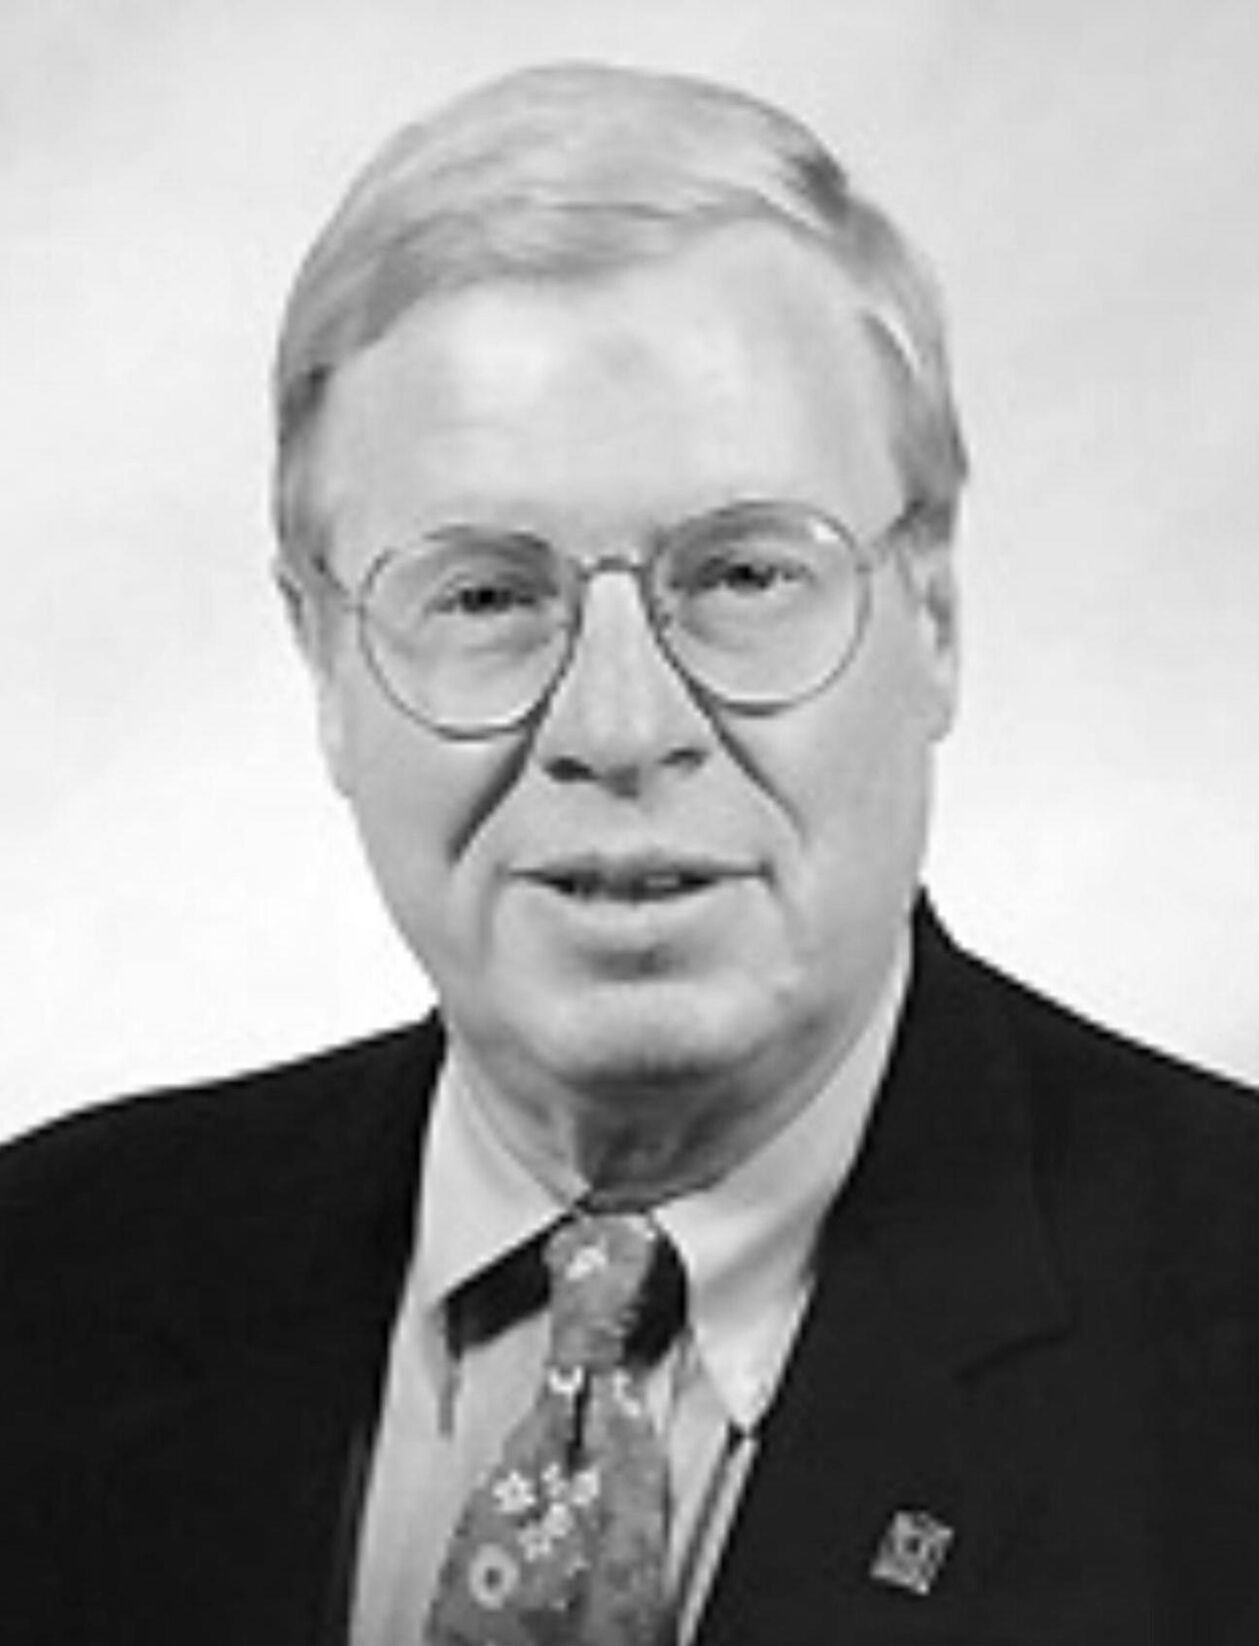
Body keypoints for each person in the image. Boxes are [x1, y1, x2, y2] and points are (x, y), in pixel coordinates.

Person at [2, 60, 1257, 1646]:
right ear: (323, 660)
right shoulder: (44, 1285)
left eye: (741, 574)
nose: (619, 723)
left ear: (934, 615)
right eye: (484, 593)